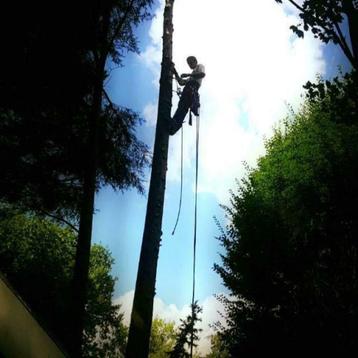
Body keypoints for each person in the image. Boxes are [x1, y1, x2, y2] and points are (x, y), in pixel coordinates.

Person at [169, 56, 205, 135]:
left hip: (192, 90)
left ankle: (174, 126)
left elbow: (202, 74)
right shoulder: (192, 75)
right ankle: (173, 124)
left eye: (191, 62)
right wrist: (175, 72)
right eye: (189, 64)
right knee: (181, 107)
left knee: (183, 107)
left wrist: (188, 75)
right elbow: (182, 82)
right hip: (187, 90)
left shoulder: (200, 66)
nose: (190, 65)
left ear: (195, 61)